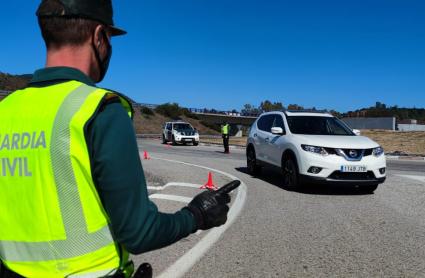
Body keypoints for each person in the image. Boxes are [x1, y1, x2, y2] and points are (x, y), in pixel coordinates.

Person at [0, 1, 232, 277]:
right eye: (109, 39)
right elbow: (139, 232)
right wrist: (197, 215)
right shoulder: (99, 109)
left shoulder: (6, 109)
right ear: (99, 37)